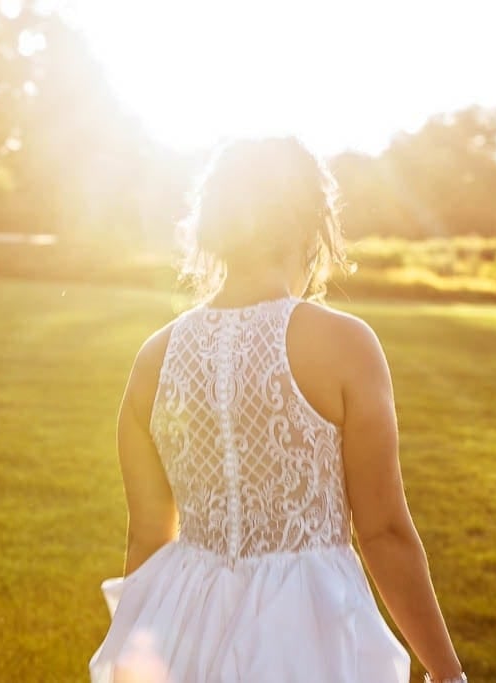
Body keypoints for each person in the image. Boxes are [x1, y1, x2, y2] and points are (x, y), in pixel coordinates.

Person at [90, 137, 466, 683]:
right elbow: (382, 530)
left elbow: (148, 537)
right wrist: (446, 671)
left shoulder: (153, 358)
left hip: (184, 619)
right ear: (313, 226)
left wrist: (135, 651)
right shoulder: (345, 344)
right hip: (308, 622)